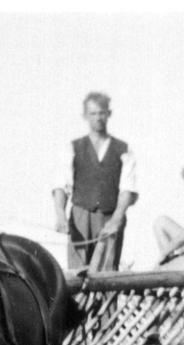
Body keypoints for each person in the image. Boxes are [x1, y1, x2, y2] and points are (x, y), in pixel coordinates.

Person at [53, 92, 137, 275]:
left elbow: (127, 189)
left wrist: (117, 218)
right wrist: (60, 214)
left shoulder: (123, 149)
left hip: (109, 217)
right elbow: (62, 185)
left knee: (107, 274)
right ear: (85, 115)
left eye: (101, 113)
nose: (98, 118)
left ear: (109, 114)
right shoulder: (73, 148)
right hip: (80, 216)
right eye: (93, 113)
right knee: (77, 273)